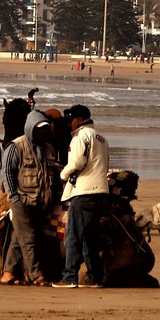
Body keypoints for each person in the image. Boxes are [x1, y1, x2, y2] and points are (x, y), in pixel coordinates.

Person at [0, 110, 60, 286]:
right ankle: (36, 275)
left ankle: (7, 273)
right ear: (30, 128)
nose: (41, 133)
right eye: (38, 129)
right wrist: (14, 197)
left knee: (19, 239)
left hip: (40, 203)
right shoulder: (16, 146)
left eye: (44, 129)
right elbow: (7, 173)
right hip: (22, 202)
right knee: (29, 239)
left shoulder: (49, 148)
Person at [55, 104, 109, 288]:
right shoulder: (101, 138)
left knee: (72, 236)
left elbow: (78, 161)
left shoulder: (80, 136)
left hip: (84, 192)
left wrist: (63, 175)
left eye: (70, 121)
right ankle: (94, 278)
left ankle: (69, 277)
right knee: (90, 238)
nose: (69, 125)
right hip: (100, 192)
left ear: (79, 120)